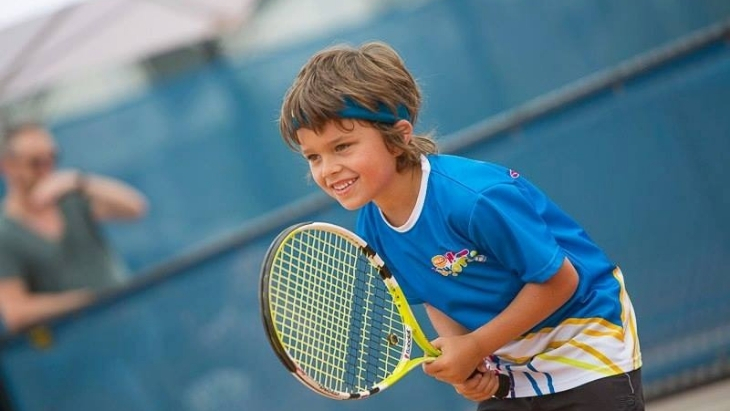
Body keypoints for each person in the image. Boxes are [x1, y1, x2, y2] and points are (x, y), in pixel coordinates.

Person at [278, 41, 643, 410]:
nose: (327, 169)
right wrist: (466, 359)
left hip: (586, 345)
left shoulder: (473, 199)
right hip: (509, 366)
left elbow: (561, 280)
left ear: (399, 135)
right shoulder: (373, 226)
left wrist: (476, 346)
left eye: (342, 147)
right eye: (313, 156)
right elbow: (436, 295)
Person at [0, 122, 148, 333]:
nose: (46, 169)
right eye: (35, 162)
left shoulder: (70, 198)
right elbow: (15, 311)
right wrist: (85, 300)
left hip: (131, 321)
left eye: (52, 158)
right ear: (7, 166)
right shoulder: (4, 233)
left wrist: (80, 181)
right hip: (78, 342)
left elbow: (135, 208)